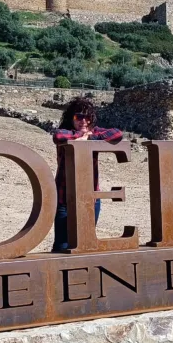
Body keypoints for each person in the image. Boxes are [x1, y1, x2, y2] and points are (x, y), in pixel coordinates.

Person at [51, 96, 122, 252]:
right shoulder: (66, 132)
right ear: (71, 118)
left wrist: (90, 137)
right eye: (79, 117)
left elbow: (117, 134)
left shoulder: (93, 132)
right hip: (64, 198)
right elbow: (58, 136)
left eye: (88, 117)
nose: (84, 121)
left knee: (85, 242)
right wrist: (80, 136)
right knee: (62, 244)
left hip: (91, 197)